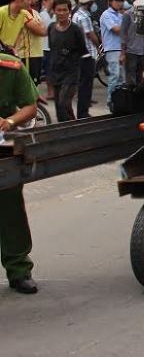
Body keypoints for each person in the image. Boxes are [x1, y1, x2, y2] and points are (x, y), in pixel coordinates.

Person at [0, 51, 44, 294]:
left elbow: (30, 107)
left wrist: (9, 122)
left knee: (10, 206)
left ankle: (19, 270)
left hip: (4, 143)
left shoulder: (11, 67)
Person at [47, 0, 86, 122]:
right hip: (56, 73)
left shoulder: (75, 29)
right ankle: (64, 130)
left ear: (70, 11)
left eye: (65, 10)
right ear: (54, 11)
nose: (62, 13)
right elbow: (52, 49)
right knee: (59, 107)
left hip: (71, 73)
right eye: (59, 10)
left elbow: (82, 50)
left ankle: (72, 129)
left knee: (64, 103)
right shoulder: (51, 28)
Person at [0, 0, 47, 70]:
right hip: (11, 56)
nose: (31, 1)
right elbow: (41, 31)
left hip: (19, 55)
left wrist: (15, 50)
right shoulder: (3, 12)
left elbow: (19, 35)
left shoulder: (25, 13)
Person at [72, 0, 101, 119]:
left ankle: (82, 112)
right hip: (88, 55)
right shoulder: (84, 17)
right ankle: (83, 114)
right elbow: (91, 35)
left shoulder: (76, 15)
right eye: (93, 2)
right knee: (86, 85)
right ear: (88, 2)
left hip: (80, 55)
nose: (95, 4)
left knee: (83, 84)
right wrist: (100, 47)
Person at [99, 0, 126, 108]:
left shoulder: (120, 16)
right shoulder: (107, 15)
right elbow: (115, 29)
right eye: (117, 0)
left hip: (121, 48)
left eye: (121, 1)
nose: (119, 3)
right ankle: (111, 100)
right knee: (114, 75)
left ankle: (119, 100)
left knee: (121, 77)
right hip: (112, 48)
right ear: (111, 1)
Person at [120, 0, 144, 87]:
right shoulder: (127, 14)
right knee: (130, 77)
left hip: (143, 49)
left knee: (141, 76)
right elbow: (123, 34)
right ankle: (130, 97)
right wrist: (122, 53)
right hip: (131, 50)